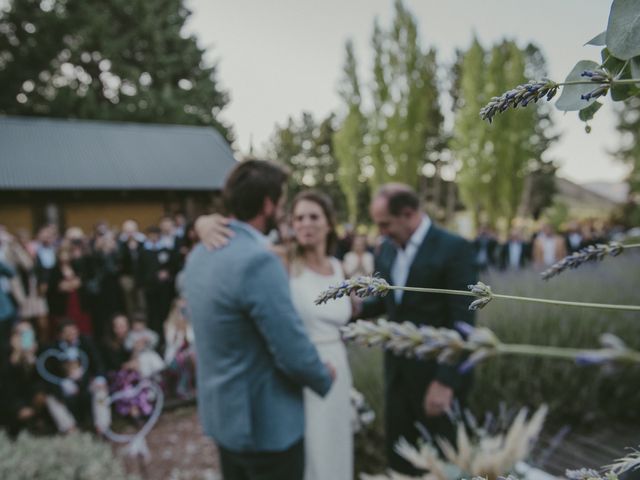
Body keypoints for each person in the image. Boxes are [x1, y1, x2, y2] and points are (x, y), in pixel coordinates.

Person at [184, 160, 334, 480]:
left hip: (224, 419)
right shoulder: (258, 261)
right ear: (268, 203)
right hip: (266, 425)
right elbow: (289, 347)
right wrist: (322, 375)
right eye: (281, 201)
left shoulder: (199, 255)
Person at [356, 183, 477, 475]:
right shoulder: (386, 250)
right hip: (397, 373)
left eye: (385, 223)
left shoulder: (454, 248)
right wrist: (358, 308)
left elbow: (463, 322)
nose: (380, 231)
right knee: (400, 459)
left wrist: (445, 382)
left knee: (442, 463)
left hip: (437, 377)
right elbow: (391, 302)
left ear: (408, 214)